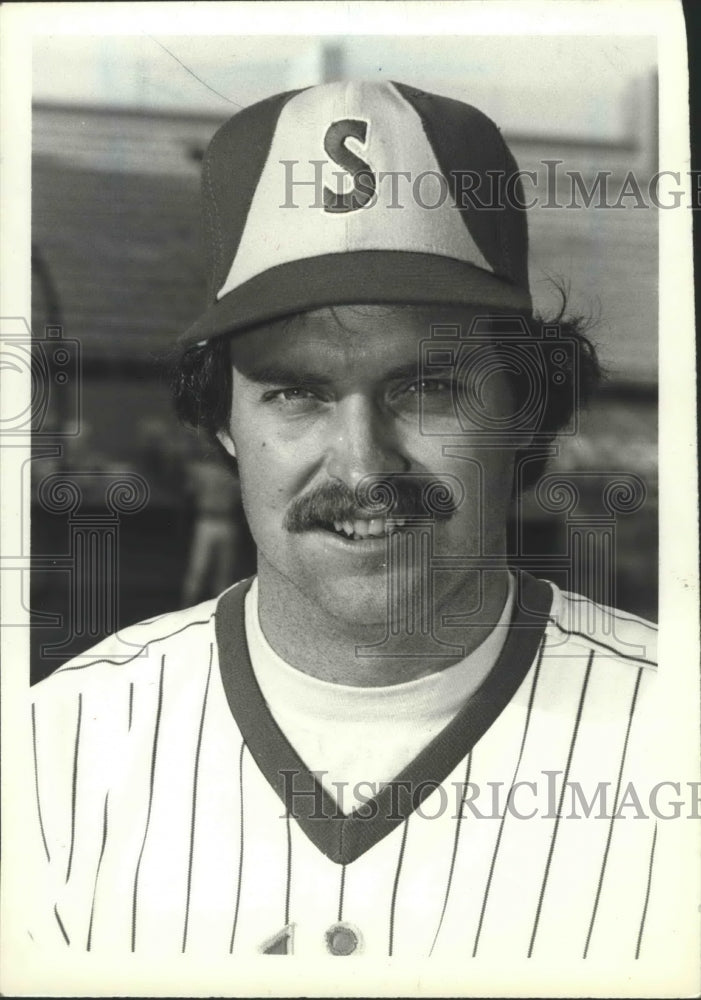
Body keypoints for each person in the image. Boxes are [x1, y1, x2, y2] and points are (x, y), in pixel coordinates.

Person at [27, 80, 660, 961]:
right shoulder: (50, 751)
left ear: (526, 404)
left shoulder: (677, 729)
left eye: (428, 386)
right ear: (223, 422)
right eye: (297, 392)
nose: (363, 464)